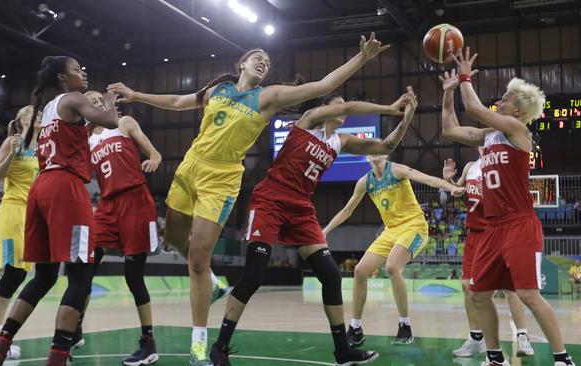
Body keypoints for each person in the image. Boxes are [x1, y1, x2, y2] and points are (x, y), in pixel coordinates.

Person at [108, 32, 390, 364]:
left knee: (197, 260)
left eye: (267, 62)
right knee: (171, 238)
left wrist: (362, 58)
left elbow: (323, 87)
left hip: (222, 178)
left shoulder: (267, 98)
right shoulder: (217, 90)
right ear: (242, 63)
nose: (263, 61)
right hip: (189, 169)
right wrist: (136, 94)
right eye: (257, 57)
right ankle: (213, 285)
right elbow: (177, 102)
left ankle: (200, 347)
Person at [209, 89, 417, 366]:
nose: (344, 109)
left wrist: (406, 119)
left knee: (331, 276)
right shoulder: (308, 121)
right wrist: (391, 107)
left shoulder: (340, 141)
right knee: (254, 275)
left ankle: (342, 350)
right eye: (338, 104)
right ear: (325, 107)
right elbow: (354, 104)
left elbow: (386, 147)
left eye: (345, 105)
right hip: (270, 199)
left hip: (301, 208)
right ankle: (219, 349)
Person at [440, 47, 575, 366]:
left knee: (527, 294)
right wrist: (448, 94)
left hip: (519, 224)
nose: (499, 99)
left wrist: (464, 77)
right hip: (491, 228)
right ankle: (495, 357)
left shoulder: (517, 132)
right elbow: (449, 130)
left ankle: (563, 358)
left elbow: (472, 106)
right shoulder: (489, 136)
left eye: (505, 98)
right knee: (477, 295)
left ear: (518, 111)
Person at [0, 56, 120, 366]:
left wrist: (94, 116)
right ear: (62, 77)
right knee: (80, 275)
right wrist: (110, 102)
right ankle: (58, 356)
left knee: (43, 277)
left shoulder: (48, 112)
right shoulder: (74, 98)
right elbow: (112, 121)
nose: (83, 73)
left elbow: (78, 136)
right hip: (66, 191)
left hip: (40, 190)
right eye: (76, 69)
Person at [322, 155, 465, 348]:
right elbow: (347, 211)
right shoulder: (365, 182)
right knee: (360, 271)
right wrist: (325, 232)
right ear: (367, 156)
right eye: (371, 147)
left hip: (414, 226)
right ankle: (356, 328)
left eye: (379, 146)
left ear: (385, 153)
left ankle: (405, 326)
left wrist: (452, 187)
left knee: (392, 267)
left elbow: (427, 179)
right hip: (390, 231)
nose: (374, 150)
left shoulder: (396, 169)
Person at [76, 90, 161, 365]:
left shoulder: (125, 123)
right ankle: (75, 326)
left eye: (100, 100)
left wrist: (154, 160)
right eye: (92, 102)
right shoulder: (86, 141)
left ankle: (148, 343)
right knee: (84, 265)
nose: (98, 103)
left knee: (133, 277)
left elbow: (155, 153)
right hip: (107, 206)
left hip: (136, 201)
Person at [442, 157, 534, 359]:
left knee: (510, 289)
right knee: (467, 285)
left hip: (497, 231)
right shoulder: (470, 167)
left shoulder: (503, 163)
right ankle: (476, 338)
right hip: (474, 234)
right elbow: (458, 191)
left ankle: (522, 336)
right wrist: (449, 180)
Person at [0, 106, 40, 360]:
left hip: (31, 216)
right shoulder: (13, 142)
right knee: (11, 274)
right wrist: (11, 155)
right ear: (23, 120)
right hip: (12, 212)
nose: (38, 117)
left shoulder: (42, 148)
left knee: (20, 275)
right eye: (33, 113)